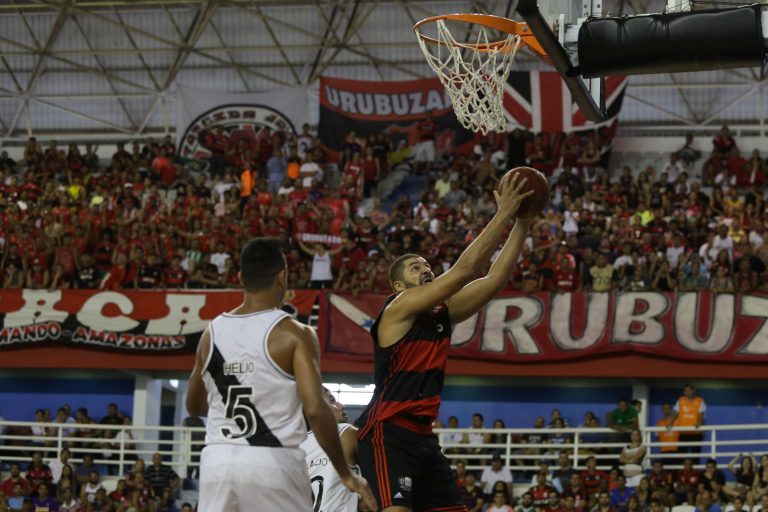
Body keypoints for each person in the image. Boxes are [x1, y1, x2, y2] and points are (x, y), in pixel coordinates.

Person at [355, 173, 534, 512]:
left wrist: (522, 223)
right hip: (387, 431)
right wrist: (504, 214)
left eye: (427, 265)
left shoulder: (442, 314)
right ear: (398, 287)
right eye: (414, 268)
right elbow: (466, 270)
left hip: (423, 436)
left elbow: (494, 279)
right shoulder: (397, 308)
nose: (425, 269)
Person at [186, 237, 376, 512]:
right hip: (272, 459)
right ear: (282, 277)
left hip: (219, 462)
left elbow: (193, 406)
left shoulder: (211, 333)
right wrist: (346, 474)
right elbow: (315, 408)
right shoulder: (294, 333)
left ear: (239, 277)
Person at [300, 387, 361, 512]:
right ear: (314, 407)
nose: (341, 406)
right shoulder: (344, 431)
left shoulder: (294, 449)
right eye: (332, 401)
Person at [668, 384, 707, 462]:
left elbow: (701, 414)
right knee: (680, 457)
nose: (687, 392)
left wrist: (699, 422)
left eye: (689, 390)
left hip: (695, 434)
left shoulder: (700, 401)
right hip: (683, 433)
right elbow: (675, 413)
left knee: (695, 457)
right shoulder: (680, 400)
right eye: (685, 390)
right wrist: (670, 423)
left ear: (694, 391)